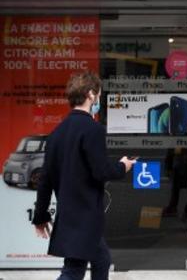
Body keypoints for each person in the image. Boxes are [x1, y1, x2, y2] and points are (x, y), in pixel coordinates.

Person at [32, 72, 136, 280]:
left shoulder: (57, 133)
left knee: (100, 259)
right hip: (85, 214)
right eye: (98, 95)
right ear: (90, 94)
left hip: (70, 214)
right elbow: (101, 171)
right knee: (74, 270)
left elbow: (45, 179)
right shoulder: (92, 129)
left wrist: (40, 216)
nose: (99, 99)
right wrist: (122, 166)